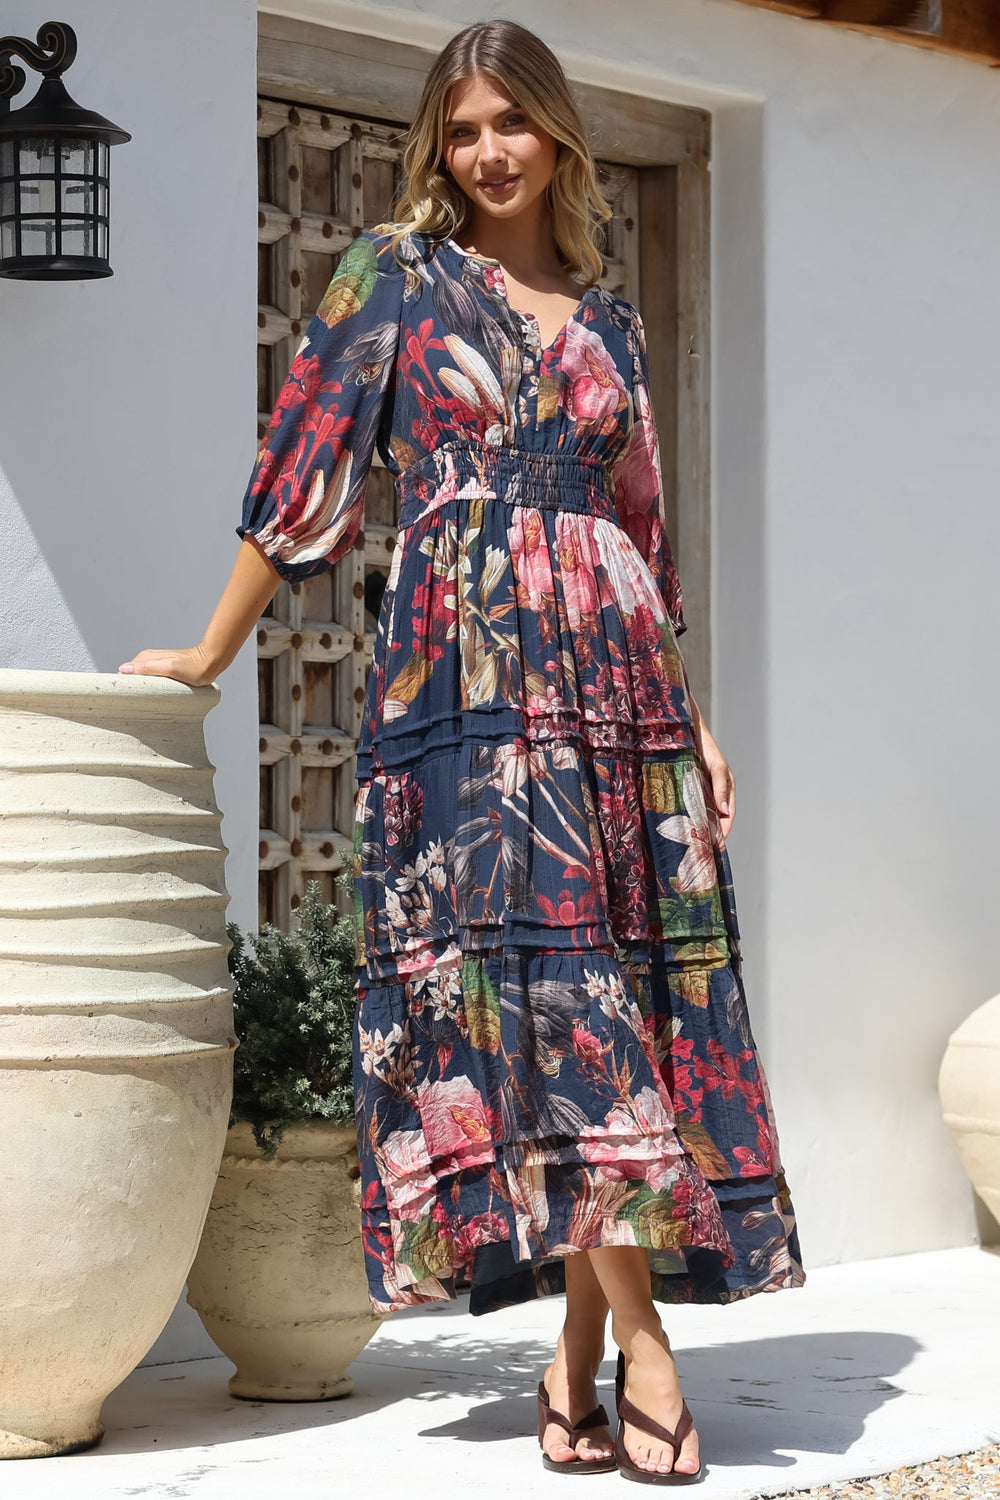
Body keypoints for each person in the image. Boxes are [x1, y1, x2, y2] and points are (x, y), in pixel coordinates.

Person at [120, 18, 805, 1485]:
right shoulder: (397, 278)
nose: (489, 150)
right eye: (464, 125)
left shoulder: (614, 324)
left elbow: (644, 538)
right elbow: (300, 469)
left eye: (514, 121)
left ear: (559, 136)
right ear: (439, 143)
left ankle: (572, 1352)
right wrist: (210, 650)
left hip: (618, 691)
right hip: (464, 692)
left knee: (606, 992)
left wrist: (693, 717)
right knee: (538, 1003)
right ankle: (652, 1352)